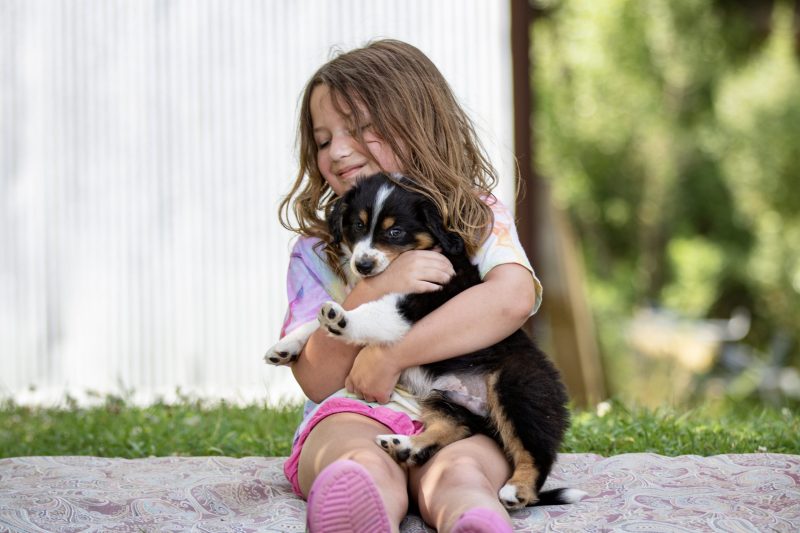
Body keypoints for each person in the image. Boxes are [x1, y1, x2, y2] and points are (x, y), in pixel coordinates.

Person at [275, 39, 543, 533]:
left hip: (463, 413)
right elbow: (316, 380)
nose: (338, 151)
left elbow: (511, 298)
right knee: (352, 455)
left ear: (418, 124)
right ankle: (357, 503)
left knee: (463, 470)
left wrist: (392, 356)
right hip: (354, 409)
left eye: (359, 129)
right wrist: (378, 286)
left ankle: (471, 515)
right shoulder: (317, 249)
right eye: (323, 139)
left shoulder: (472, 214)